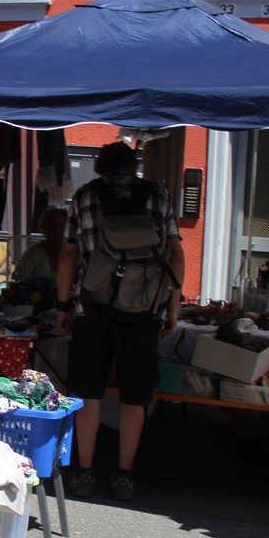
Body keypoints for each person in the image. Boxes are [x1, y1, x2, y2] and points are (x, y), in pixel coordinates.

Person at [55, 142, 184, 502]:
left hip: (93, 308)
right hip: (144, 310)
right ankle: (124, 475)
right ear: (134, 165)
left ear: (99, 168)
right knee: (135, 395)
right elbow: (176, 253)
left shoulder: (84, 196)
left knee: (88, 392)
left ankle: (83, 470)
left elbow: (67, 255)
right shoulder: (157, 195)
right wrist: (172, 307)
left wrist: (63, 305)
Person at [13, 206, 68, 282]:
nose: (57, 232)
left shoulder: (77, 254)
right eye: (53, 227)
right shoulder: (33, 254)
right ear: (44, 230)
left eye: (62, 227)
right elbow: (16, 283)